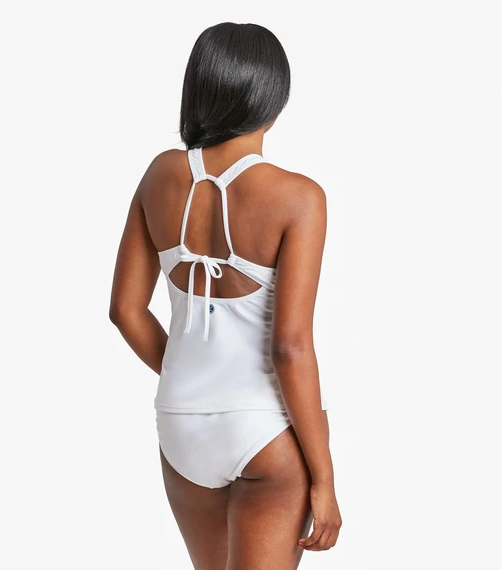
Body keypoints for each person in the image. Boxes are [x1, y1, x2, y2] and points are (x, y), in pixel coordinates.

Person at [109, 21, 342, 569]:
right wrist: (325, 478)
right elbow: (290, 347)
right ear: (273, 98)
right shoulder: (298, 197)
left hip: (181, 424)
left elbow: (125, 310)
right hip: (263, 427)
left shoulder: (159, 175)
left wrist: (195, 374)